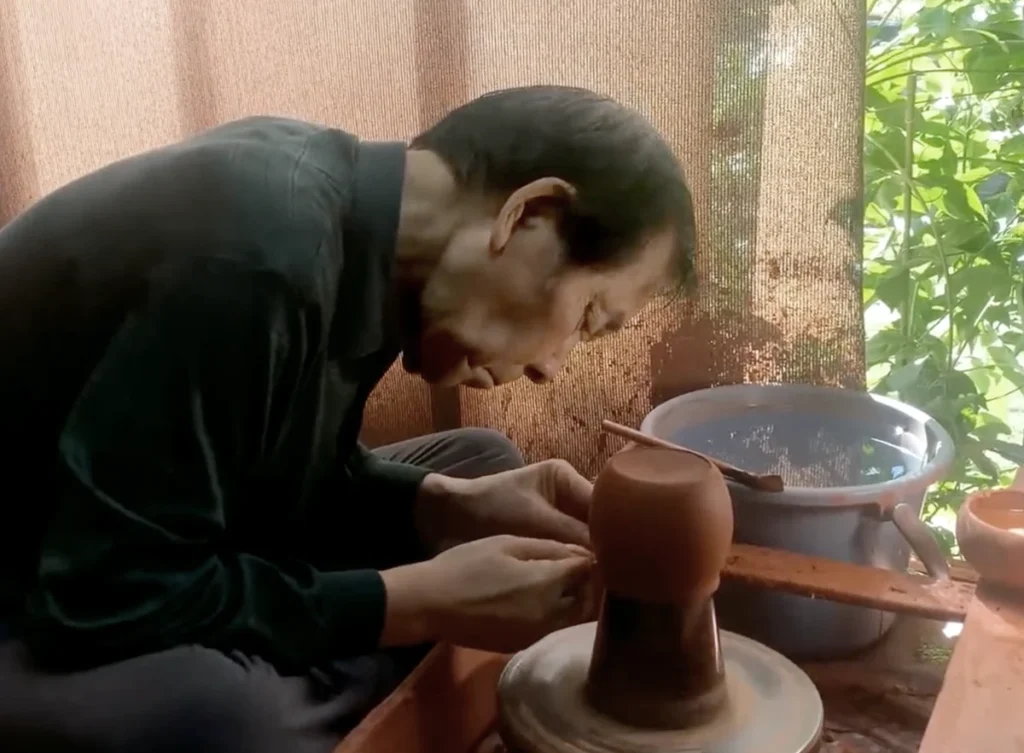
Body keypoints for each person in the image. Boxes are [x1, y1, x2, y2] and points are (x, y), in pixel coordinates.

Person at [0, 85, 695, 752]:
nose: (552, 366)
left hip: (126, 529)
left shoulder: (369, 240)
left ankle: (370, 679)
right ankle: (375, 687)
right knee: (231, 720)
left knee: (483, 462)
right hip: (48, 583)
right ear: (530, 216)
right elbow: (101, 591)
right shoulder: (263, 256)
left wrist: (443, 506)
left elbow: (281, 471)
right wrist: (410, 603)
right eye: (586, 319)